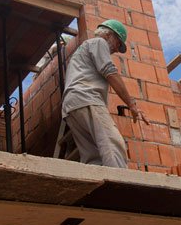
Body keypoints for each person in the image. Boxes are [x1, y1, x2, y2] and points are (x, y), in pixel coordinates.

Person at [61, 19, 148, 168]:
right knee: (113, 144)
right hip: (87, 98)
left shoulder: (83, 50)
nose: (116, 49)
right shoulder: (99, 43)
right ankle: (121, 185)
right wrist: (132, 105)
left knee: (93, 156)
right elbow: (110, 72)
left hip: (71, 106)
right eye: (118, 43)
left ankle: (100, 190)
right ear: (108, 35)